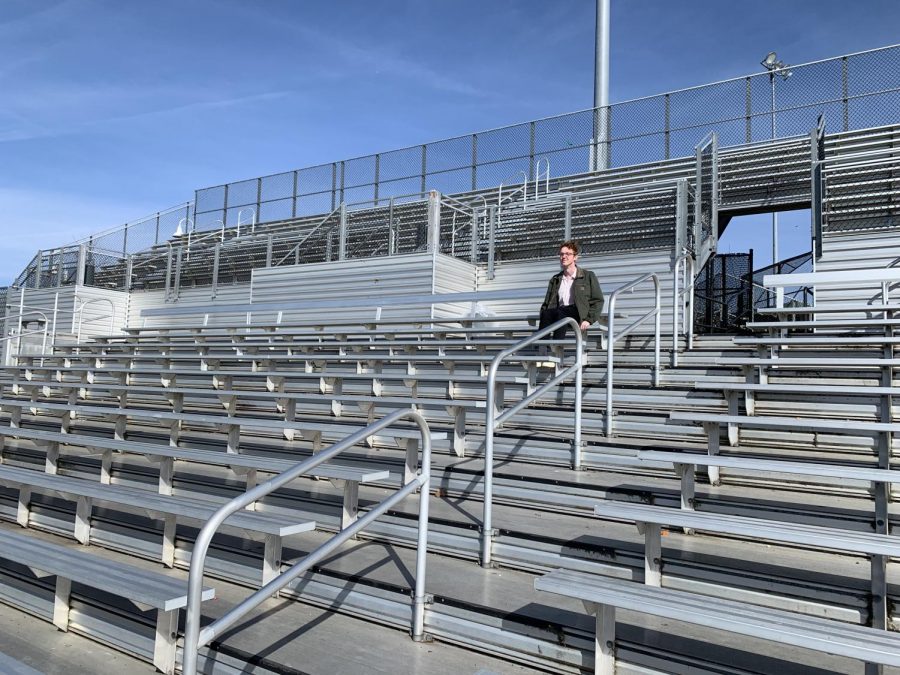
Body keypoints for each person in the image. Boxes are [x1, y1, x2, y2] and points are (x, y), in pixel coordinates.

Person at [539, 240, 604, 338]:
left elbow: (598, 300)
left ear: (575, 257)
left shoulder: (588, 276)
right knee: (546, 313)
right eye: (561, 254)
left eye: (568, 254)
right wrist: (543, 313)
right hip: (559, 313)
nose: (564, 256)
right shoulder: (556, 279)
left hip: (577, 313)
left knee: (561, 313)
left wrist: (588, 320)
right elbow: (547, 302)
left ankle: (557, 346)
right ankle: (543, 346)